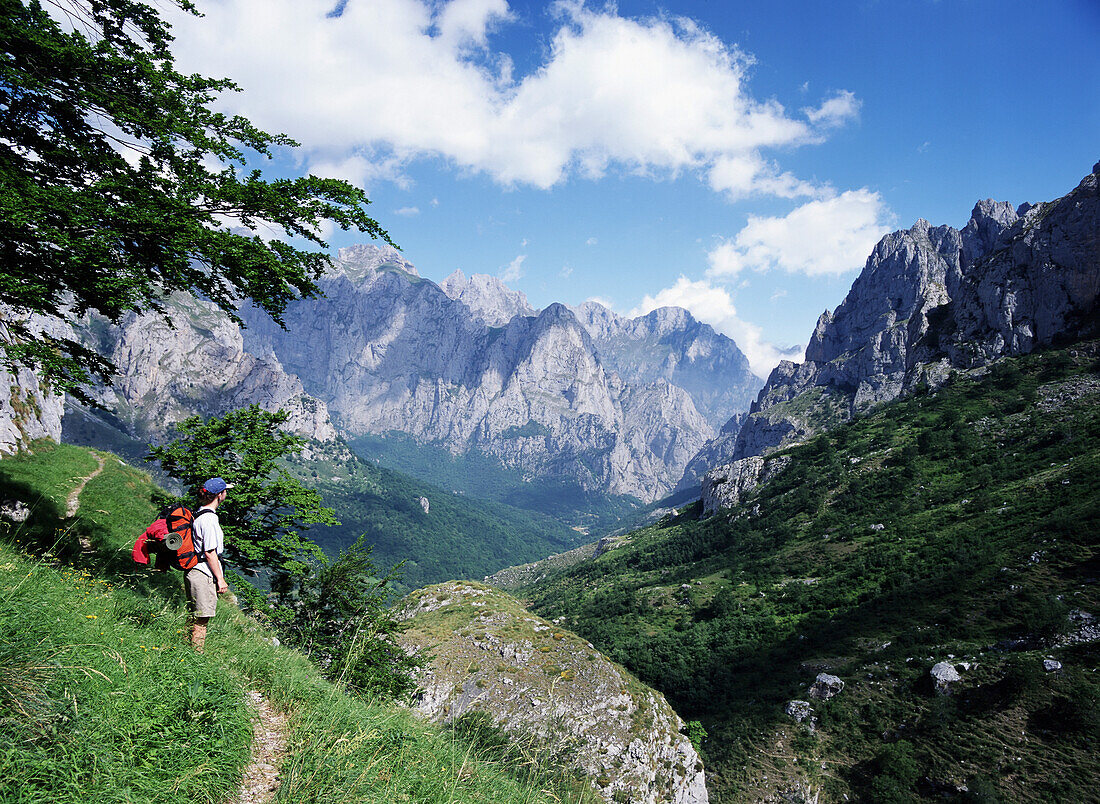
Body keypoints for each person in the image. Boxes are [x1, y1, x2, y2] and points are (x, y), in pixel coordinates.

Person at [186, 477, 233, 652]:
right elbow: (210, 552)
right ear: (219, 495)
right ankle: (195, 656)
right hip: (203, 573)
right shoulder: (210, 520)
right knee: (201, 620)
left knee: (194, 616)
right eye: (225, 491)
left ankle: (186, 649)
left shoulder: (199, 513)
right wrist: (220, 579)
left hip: (195, 569)